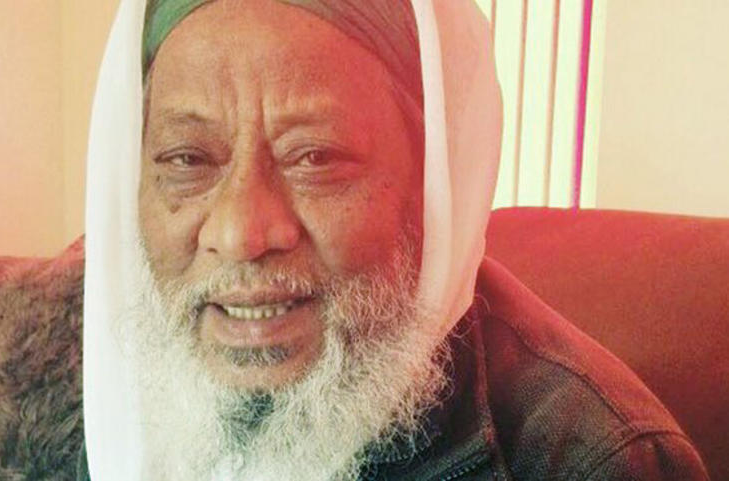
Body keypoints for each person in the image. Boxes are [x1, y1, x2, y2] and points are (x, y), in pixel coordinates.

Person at [81, 0, 710, 480]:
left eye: (314, 157)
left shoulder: (595, 460)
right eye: (188, 159)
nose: (240, 233)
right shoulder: (102, 373)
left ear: (433, 186)